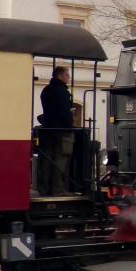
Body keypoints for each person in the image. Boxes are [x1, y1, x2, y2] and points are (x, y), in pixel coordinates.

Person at [39, 65, 78, 195]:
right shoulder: (62, 91)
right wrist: (69, 121)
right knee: (61, 159)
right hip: (62, 131)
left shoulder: (46, 90)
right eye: (67, 75)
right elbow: (63, 112)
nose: (69, 77)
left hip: (48, 129)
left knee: (47, 160)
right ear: (60, 75)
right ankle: (58, 188)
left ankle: (44, 188)